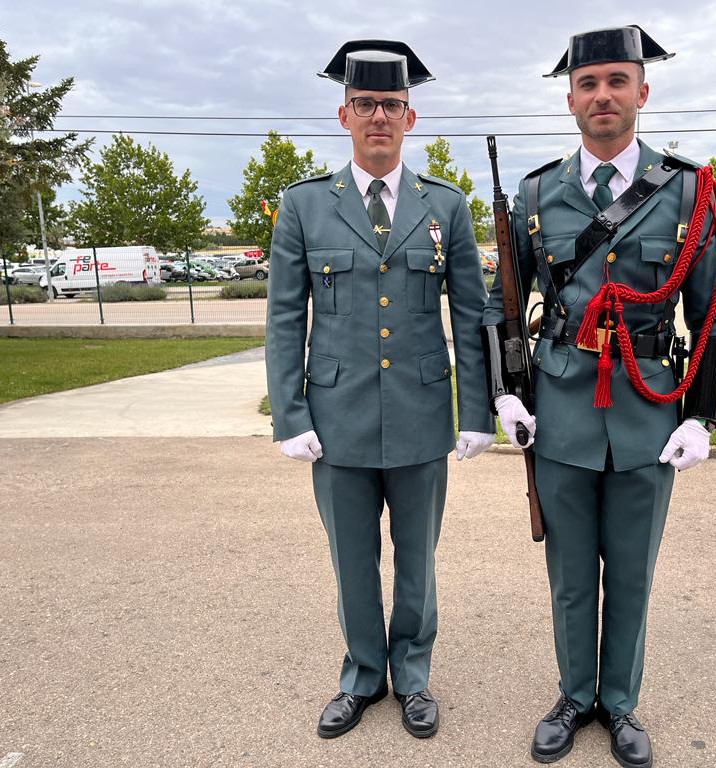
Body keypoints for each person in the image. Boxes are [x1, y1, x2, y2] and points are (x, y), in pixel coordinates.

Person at [483, 25, 716, 768]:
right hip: (558, 414)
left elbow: (710, 310)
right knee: (568, 577)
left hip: (650, 413)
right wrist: (506, 392)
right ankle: (574, 696)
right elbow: (503, 304)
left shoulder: (689, 190)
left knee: (630, 572)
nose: (602, 96)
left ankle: (618, 704)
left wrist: (701, 413)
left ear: (641, 93)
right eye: (588, 85)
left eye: (616, 81)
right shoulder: (535, 195)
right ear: (570, 101)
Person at [265, 39, 495, 740]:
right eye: (364, 104)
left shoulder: (445, 207)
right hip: (336, 417)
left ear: (410, 117)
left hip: (424, 413)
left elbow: (474, 312)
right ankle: (364, 675)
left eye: (390, 105)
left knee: (417, 557)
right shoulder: (304, 206)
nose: (378, 117)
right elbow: (282, 317)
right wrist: (289, 415)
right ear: (343, 115)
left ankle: (414, 676)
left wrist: (478, 412)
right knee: (351, 557)